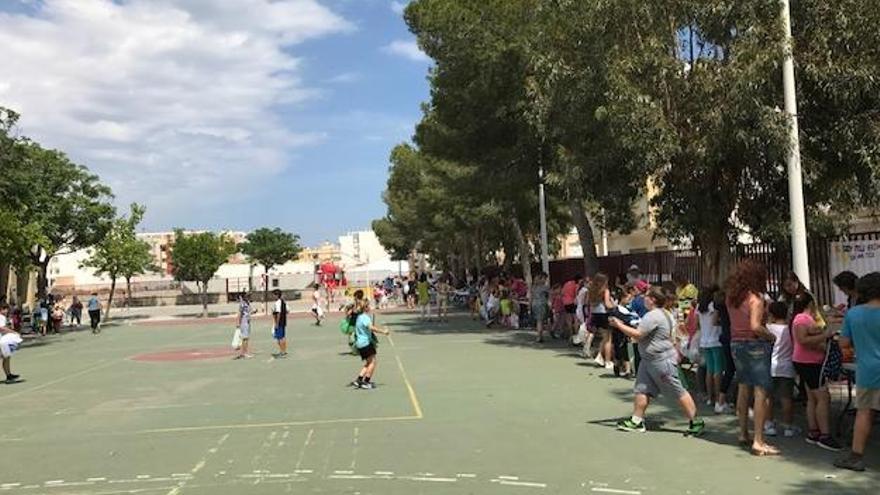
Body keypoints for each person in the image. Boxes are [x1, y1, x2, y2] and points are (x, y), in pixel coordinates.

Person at [611, 287, 705, 436]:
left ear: (653, 299)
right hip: (649, 360)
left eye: (647, 296)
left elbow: (639, 334)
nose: (643, 299)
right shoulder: (664, 314)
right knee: (642, 389)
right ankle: (636, 420)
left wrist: (619, 325)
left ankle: (696, 421)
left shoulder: (653, 315)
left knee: (678, 390)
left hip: (661, 362)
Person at [726, 259, 778, 456]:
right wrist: (771, 336)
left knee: (743, 386)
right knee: (761, 391)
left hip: (736, 344)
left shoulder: (732, 298)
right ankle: (759, 440)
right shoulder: (755, 299)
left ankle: (742, 432)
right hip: (754, 344)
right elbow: (755, 326)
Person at [835, 272, 880, 472]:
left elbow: (843, 343)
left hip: (867, 371)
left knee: (864, 413)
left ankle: (856, 456)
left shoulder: (853, 314)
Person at [791, 292, 842, 451]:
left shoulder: (805, 319)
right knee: (822, 397)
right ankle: (824, 434)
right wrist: (825, 335)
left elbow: (813, 333)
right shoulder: (802, 319)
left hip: (805, 361)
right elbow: (803, 340)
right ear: (811, 304)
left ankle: (814, 431)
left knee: (812, 397)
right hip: (809, 362)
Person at [764, 301, 799, 438]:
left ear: (771, 314)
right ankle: (788, 426)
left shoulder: (767, 328)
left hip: (770, 365)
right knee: (787, 398)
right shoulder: (790, 329)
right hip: (787, 366)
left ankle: (769, 424)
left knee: (768, 397)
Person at [697, 285, 725, 412]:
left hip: (704, 340)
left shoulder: (700, 306)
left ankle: (709, 397)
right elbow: (715, 322)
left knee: (709, 369)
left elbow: (699, 323)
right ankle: (719, 396)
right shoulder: (714, 305)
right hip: (716, 339)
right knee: (718, 370)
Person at [350, 301, 390, 390]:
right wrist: (383, 331)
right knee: (373, 362)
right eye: (369, 306)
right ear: (366, 308)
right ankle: (366, 382)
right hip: (365, 343)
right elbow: (371, 328)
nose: (370, 307)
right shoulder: (365, 317)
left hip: (360, 343)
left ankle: (359, 380)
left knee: (368, 362)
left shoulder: (359, 317)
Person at [588, 274, 616, 370]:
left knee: (604, 338)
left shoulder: (591, 291)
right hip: (604, 314)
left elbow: (590, 304)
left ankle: (600, 356)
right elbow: (608, 304)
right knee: (608, 339)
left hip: (595, 315)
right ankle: (607, 361)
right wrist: (615, 306)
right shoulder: (605, 291)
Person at [0, 303, 23, 384]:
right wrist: (13, 332)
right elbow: (1, 328)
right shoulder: (1, 317)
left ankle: (9, 375)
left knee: (6, 357)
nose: (6, 311)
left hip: (2, 341)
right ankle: (8, 375)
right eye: (5, 309)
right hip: (1, 341)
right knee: (6, 357)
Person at [531, 272, 550, 343]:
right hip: (541, 304)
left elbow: (531, 297)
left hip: (534, 304)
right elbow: (549, 295)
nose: (545, 280)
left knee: (539, 320)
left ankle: (540, 335)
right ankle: (539, 336)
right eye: (544, 279)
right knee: (540, 321)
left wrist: (529, 306)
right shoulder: (545, 287)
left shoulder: (533, 287)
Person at [234, 293, 253, 359]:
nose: (249, 297)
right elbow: (240, 313)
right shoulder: (242, 304)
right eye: (248, 296)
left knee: (246, 338)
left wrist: (254, 312)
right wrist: (238, 323)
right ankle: (244, 353)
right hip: (244, 322)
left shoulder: (247, 303)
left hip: (247, 322)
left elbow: (248, 312)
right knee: (245, 338)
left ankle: (244, 352)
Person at [272, 289, 289, 358]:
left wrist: (277, 323)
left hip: (279, 322)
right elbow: (288, 310)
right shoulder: (284, 302)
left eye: (273, 295)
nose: (273, 296)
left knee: (279, 338)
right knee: (283, 337)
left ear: (277, 295)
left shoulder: (277, 303)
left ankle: (282, 352)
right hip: (284, 321)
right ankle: (284, 351)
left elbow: (278, 313)